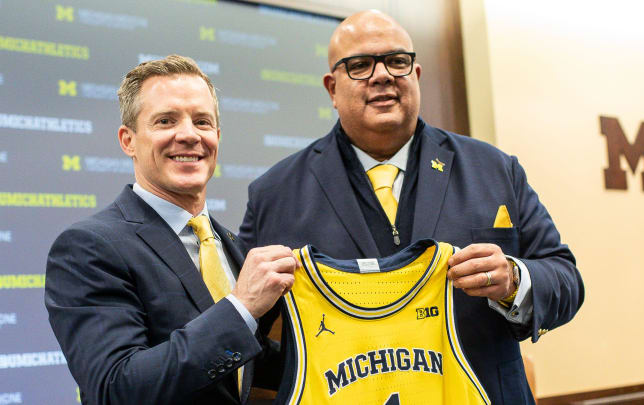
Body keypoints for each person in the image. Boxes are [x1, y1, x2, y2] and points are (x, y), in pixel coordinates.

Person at [238, 10, 584, 404]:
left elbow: (566, 279)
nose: (382, 75)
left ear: (415, 76)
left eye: (397, 61)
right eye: (360, 65)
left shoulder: (494, 169)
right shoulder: (274, 194)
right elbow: (244, 327)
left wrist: (513, 280)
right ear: (332, 89)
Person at [45, 55, 296, 405]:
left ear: (217, 137)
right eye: (165, 121)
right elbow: (117, 386)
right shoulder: (87, 248)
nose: (189, 135)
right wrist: (242, 307)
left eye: (202, 122)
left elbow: (243, 364)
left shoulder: (233, 247)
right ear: (127, 140)